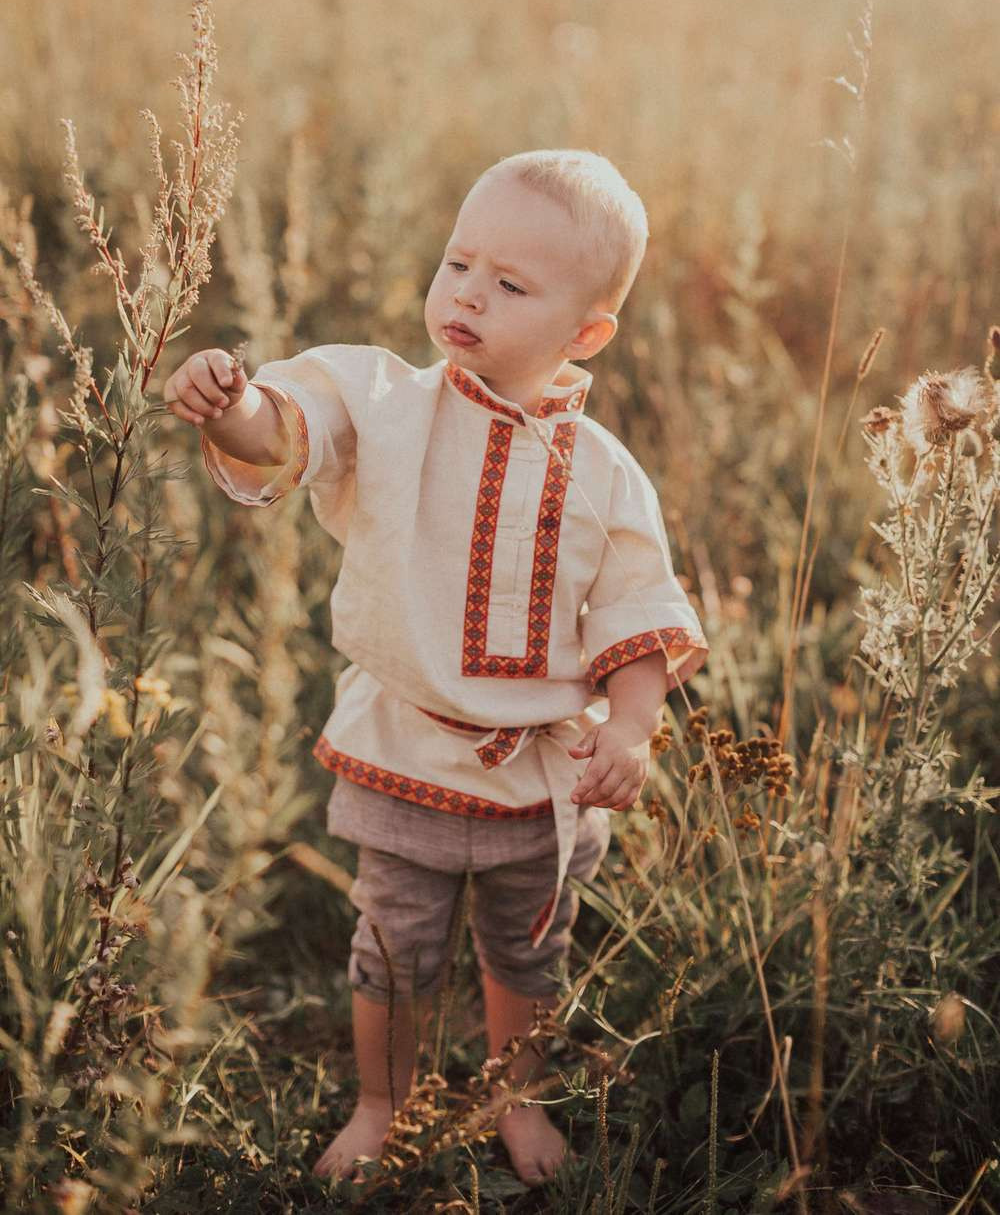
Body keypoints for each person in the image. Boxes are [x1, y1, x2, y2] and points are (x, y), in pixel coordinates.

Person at [163, 148, 709, 1188]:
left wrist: (632, 729)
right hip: (404, 749)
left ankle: (516, 1096)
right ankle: (384, 1103)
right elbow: (285, 430)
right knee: (395, 949)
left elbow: (637, 614)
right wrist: (228, 406)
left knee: (529, 952)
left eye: (510, 285)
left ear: (586, 333)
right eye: (459, 263)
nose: (467, 294)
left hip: (541, 774)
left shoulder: (605, 475)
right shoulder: (386, 401)